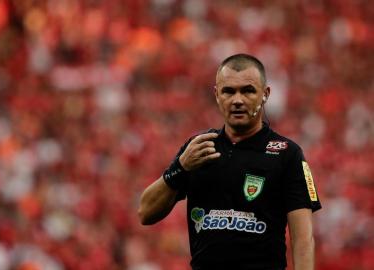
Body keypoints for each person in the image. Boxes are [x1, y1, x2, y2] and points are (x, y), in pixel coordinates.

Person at [138, 54, 322, 270]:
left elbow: (303, 239)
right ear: (217, 95)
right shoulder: (199, 147)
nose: (237, 100)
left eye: (247, 90)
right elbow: (145, 213)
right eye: (228, 91)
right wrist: (180, 168)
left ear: (265, 94)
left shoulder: (287, 154)